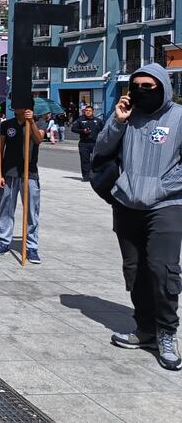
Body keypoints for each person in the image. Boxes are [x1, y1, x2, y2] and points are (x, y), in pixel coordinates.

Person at [94, 64, 182, 371]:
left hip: (166, 206)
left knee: (162, 269)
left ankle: (167, 333)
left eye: (149, 85)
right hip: (126, 204)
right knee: (135, 271)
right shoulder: (126, 116)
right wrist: (117, 122)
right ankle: (145, 329)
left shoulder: (179, 118)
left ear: (163, 86)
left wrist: (163, 186)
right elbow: (100, 150)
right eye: (137, 85)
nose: (142, 90)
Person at [0, 108, 43, 263]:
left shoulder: (37, 122)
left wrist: (31, 121)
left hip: (29, 174)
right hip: (9, 173)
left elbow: (39, 139)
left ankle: (32, 246)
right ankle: (4, 241)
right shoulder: (7, 124)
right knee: (5, 209)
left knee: (32, 211)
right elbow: (0, 149)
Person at [71, 105, 104, 182]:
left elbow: (104, 130)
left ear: (93, 112)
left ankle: (96, 175)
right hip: (84, 144)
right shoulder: (80, 120)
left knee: (96, 160)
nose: (88, 112)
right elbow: (73, 129)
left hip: (95, 143)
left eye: (89, 110)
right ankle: (86, 176)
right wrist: (82, 131)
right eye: (86, 110)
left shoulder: (98, 121)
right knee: (85, 161)